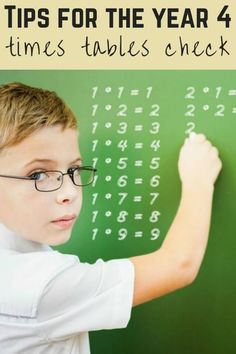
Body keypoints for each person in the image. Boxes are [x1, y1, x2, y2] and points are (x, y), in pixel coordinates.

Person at [0, 82, 222, 354]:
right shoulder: (40, 286)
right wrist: (198, 180)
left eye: (74, 169)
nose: (69, 192)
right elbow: (180, 264)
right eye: (38, 175)